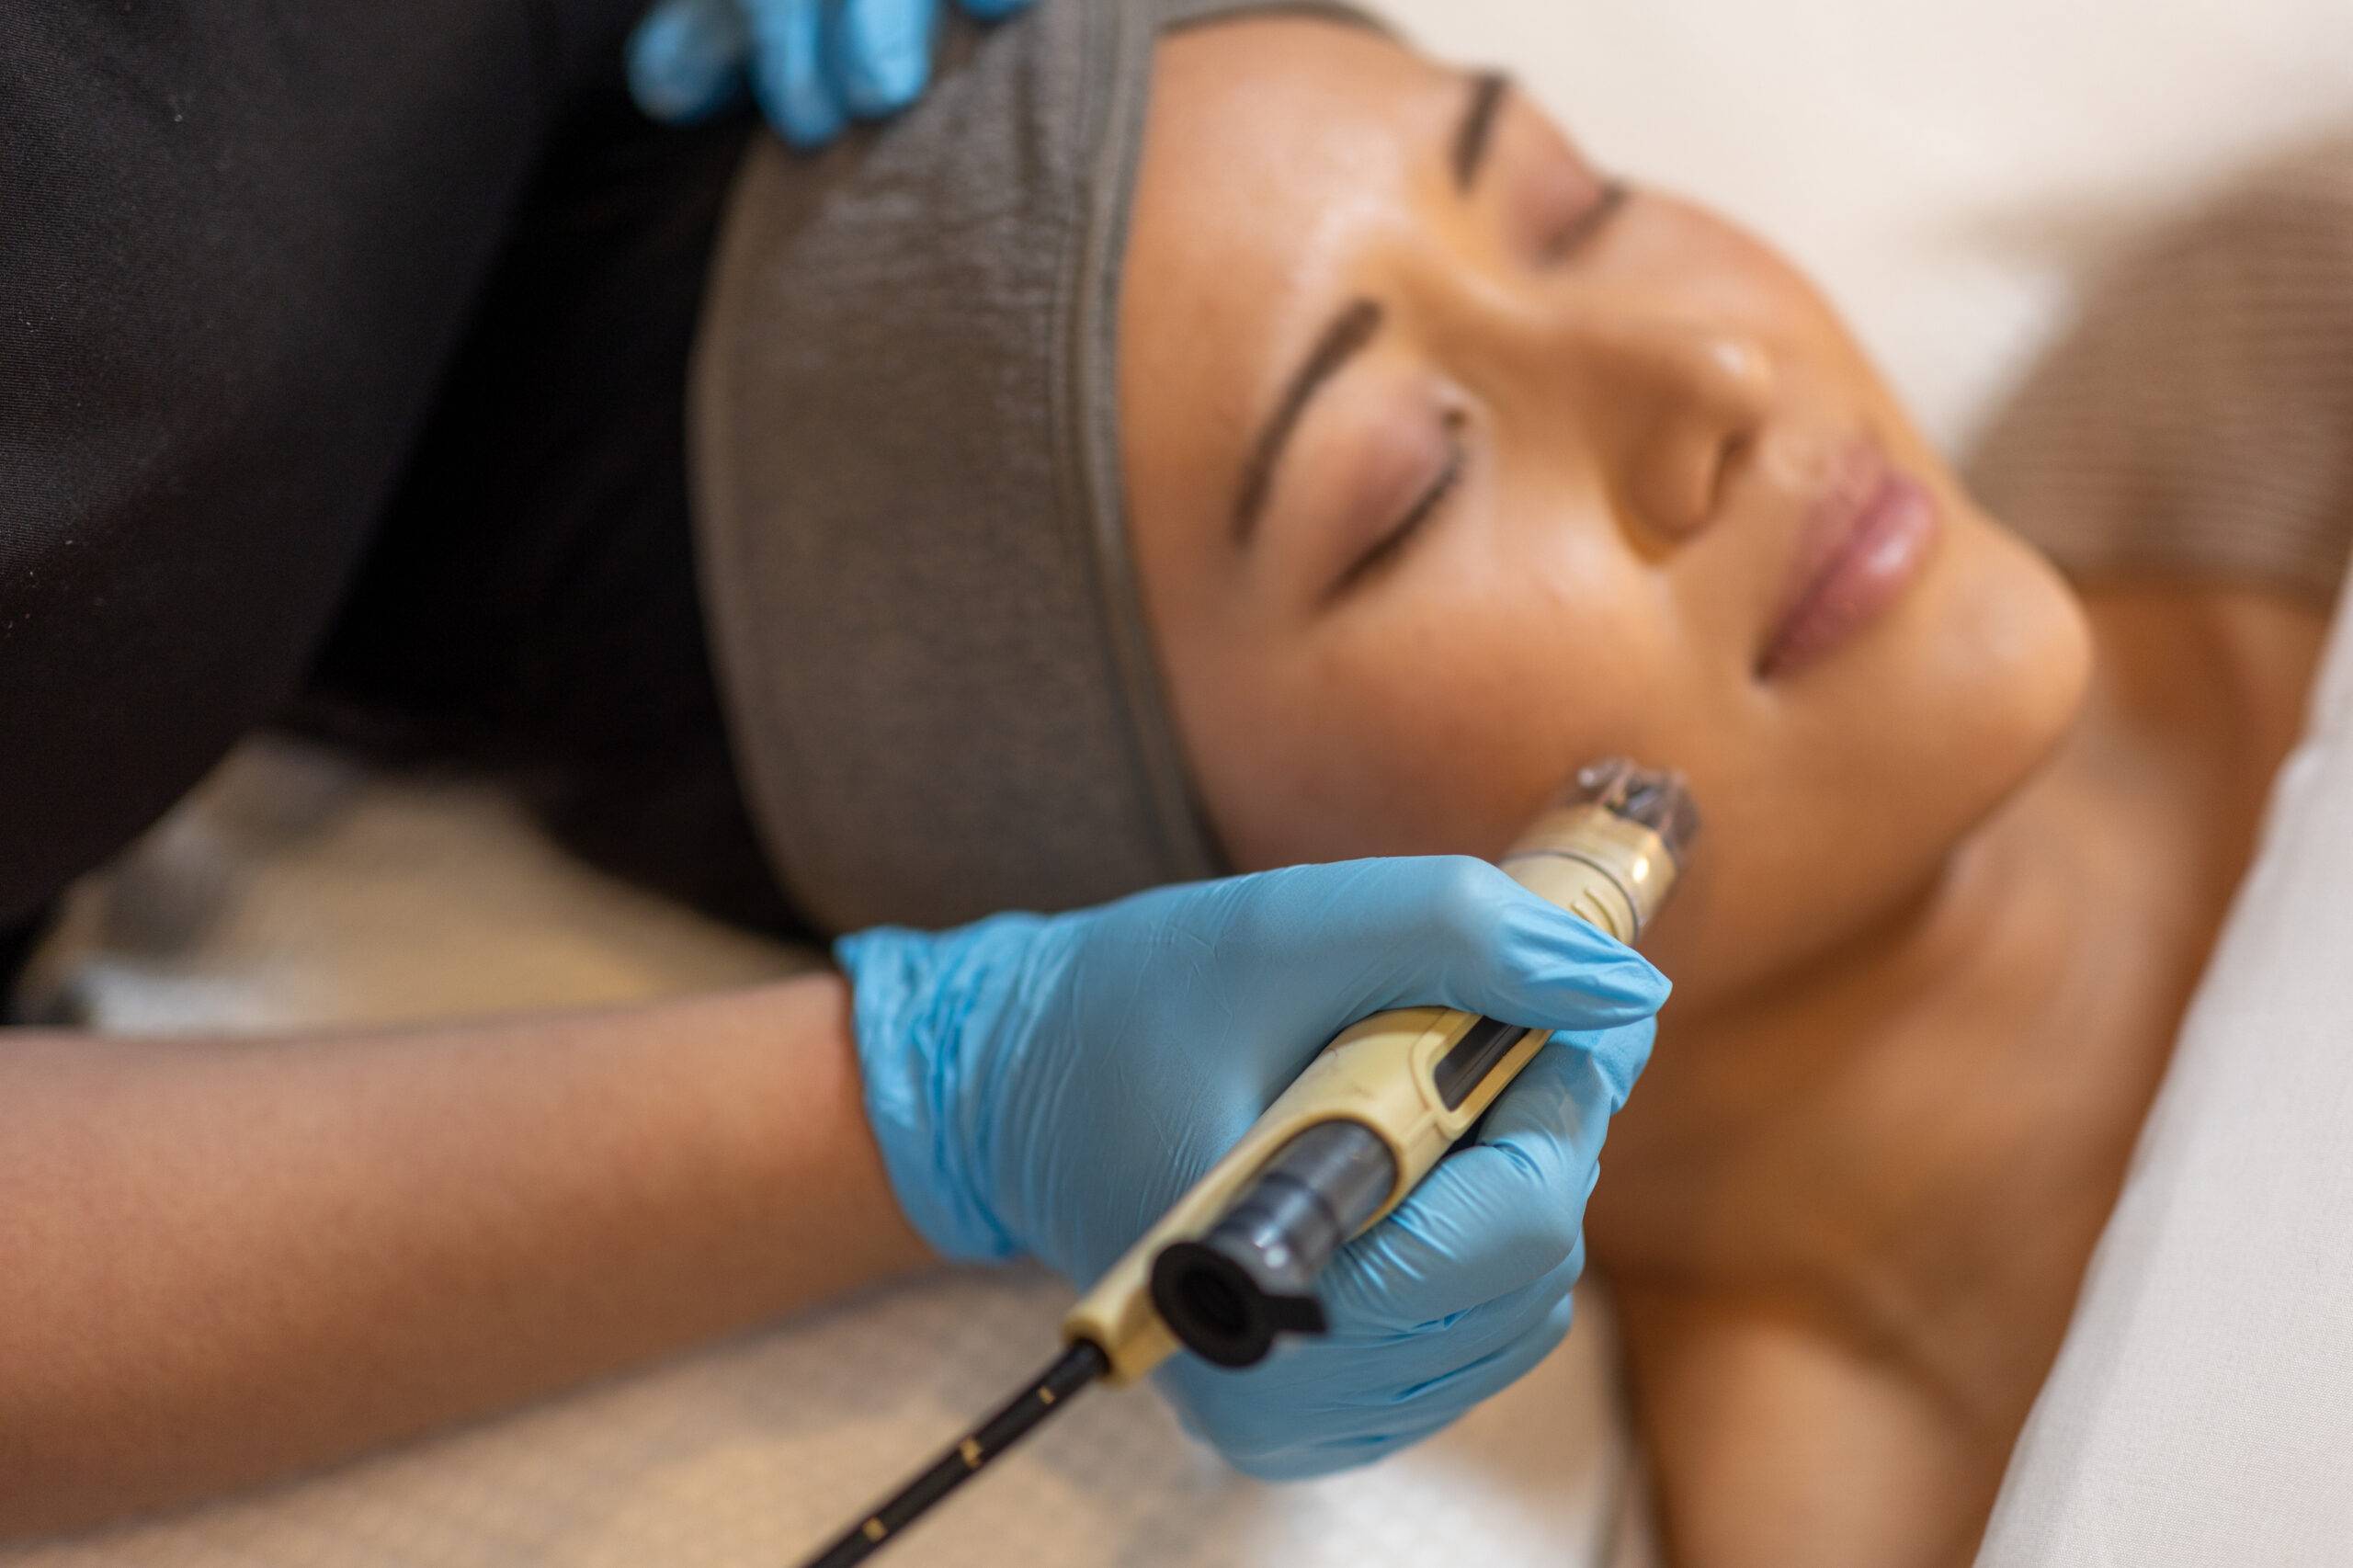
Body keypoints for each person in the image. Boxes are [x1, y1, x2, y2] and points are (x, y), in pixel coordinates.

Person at [0, 0, 1664, 1544]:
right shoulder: (143, 406)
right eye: (1408, 491)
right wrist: (940, 1096)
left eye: (1575, 203)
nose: (1716, 377)